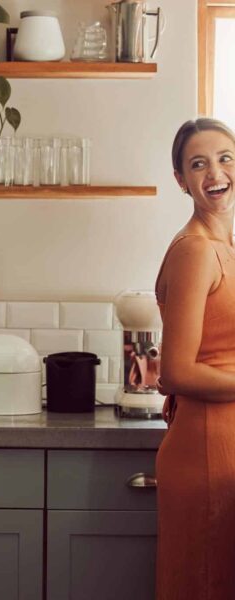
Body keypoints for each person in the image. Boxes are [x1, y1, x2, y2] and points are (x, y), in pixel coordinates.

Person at [155, 117, 235, 599]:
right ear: (181, 180)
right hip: (207, 446)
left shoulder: (225, 245)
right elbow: (176, 371)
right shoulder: (196, 251)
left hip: (224, 443)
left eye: (225, 158)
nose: (215, 173)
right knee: (203, 586)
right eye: (198, 164)